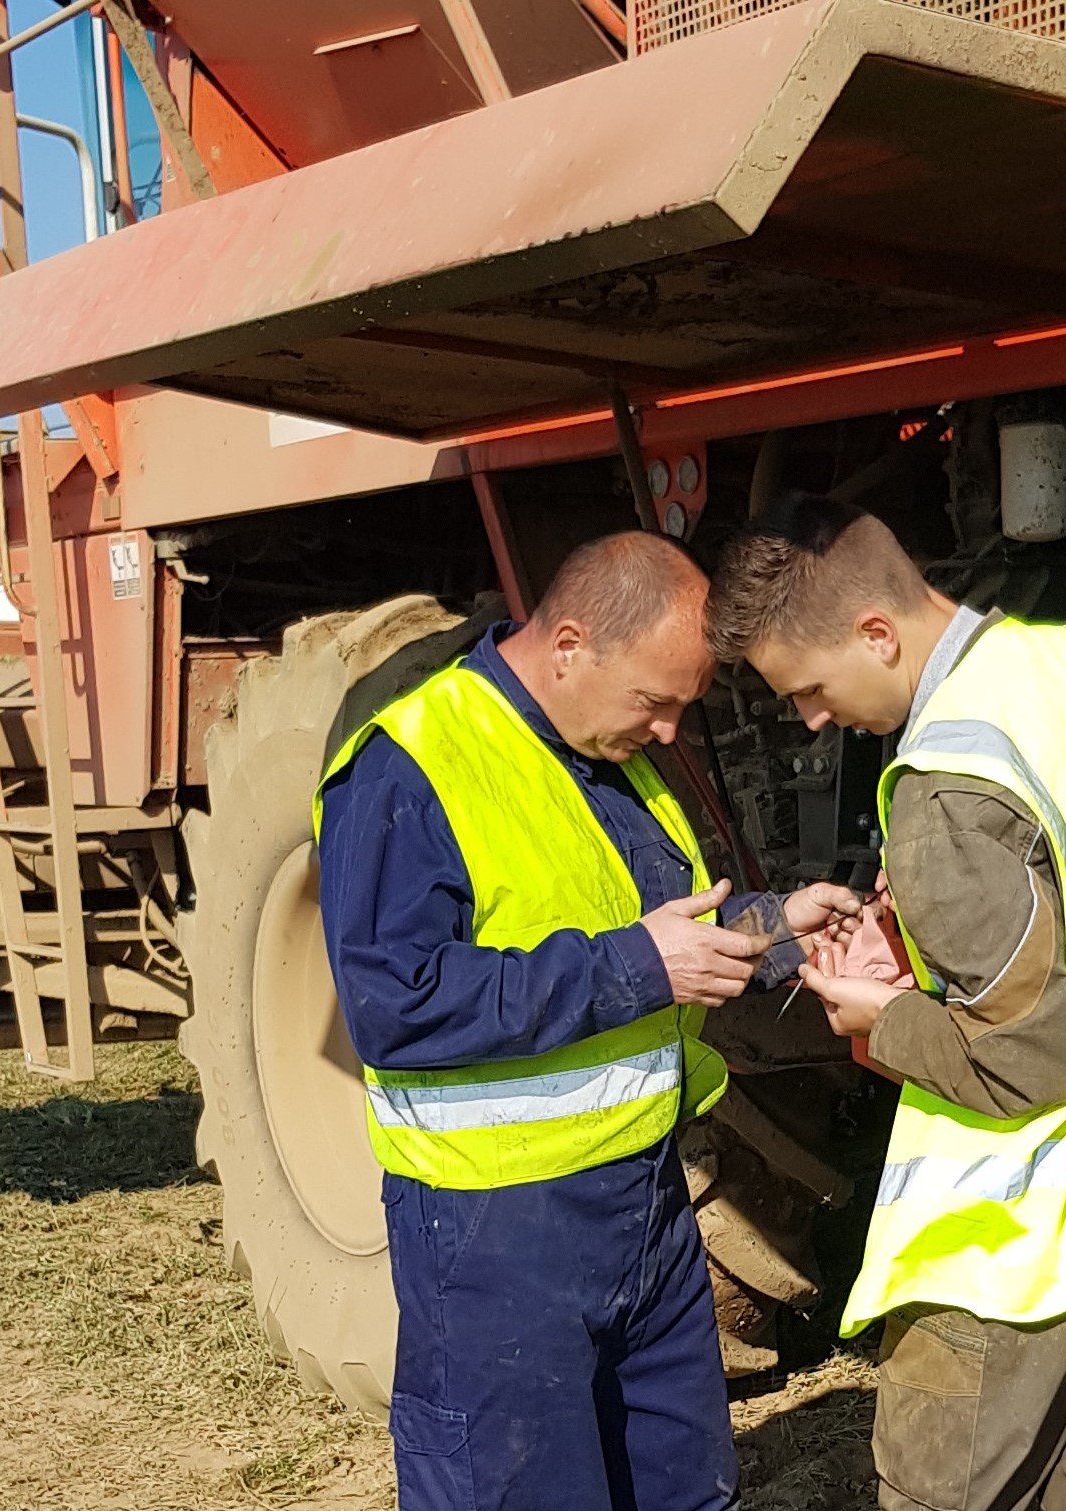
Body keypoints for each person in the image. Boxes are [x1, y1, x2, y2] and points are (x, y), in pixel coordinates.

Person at [706, 494, 1066, 1511]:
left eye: (811, 688)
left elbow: (1024, 1062)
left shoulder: (944, 781)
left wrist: (878, 1015)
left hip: (1019, 1243)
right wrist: (931, 932)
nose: (811, 717)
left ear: (878, 633)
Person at [315, 530, 862, 1511]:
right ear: (567, 644)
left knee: (681, 1486)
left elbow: (648, 933)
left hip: (645, 1201)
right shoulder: (407, 765)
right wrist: (636, 965)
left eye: (680, 708)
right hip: (495, 1230)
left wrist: (774, 930)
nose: (666, 732)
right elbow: (394, 1003)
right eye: (656, 702)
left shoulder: (606, 747)